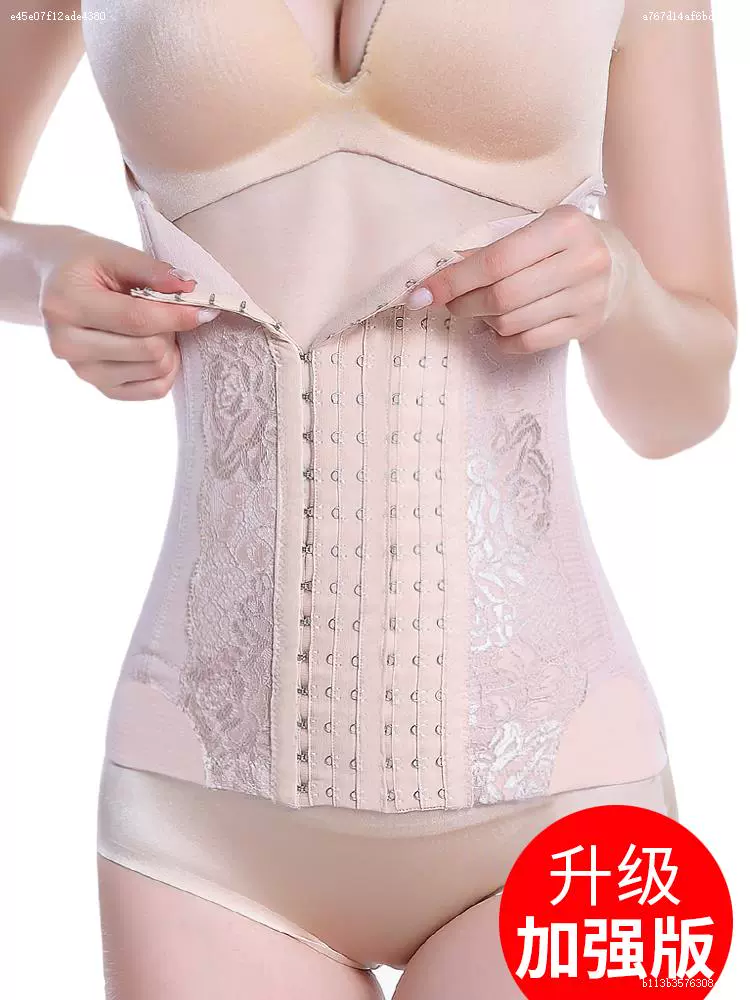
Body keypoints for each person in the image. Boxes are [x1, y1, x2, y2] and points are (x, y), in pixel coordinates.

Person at [0, 1, 737, 997]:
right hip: (202, 826)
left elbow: (682, 411)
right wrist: (41, 269)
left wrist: (621, 290)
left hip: (567, 811)